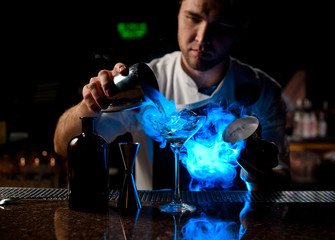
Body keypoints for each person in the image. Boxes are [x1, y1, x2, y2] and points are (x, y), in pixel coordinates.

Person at [54, 0, 290, 191]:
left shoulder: (264, 90)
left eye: (222, 25)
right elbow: (62, 146)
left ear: (241, 28)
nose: (202, 37)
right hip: (152, 226)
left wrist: (259, 174)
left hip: (240, 227)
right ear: (178, 12)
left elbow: (282, 179)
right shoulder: (147, 84)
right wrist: (89, 106)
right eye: (194, 18)